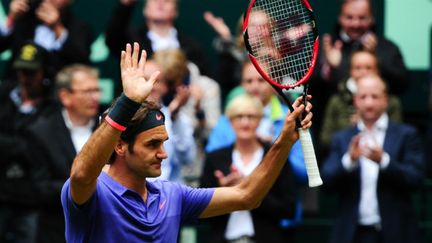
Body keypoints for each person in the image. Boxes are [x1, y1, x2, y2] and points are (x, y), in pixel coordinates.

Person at [60, 42, 312, 242]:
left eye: (163, 143)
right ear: (120, 146)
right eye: (151, 145)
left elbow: (247, 196)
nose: (163, 153)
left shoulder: (172, 195)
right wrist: (128, 102)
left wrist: (285, 140)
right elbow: (81, 174)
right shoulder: (95, 192)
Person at [321, 74, 424, 243]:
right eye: (363, 97)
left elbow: (416, 178)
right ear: (355, 101)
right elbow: (326, 182)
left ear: (386, 99)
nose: (369, 103)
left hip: (395, 232)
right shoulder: (342, 138)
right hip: (352, 233)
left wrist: (384, 161)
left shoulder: (406, 135)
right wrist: (349, 160)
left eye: (375, 96)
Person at [200, 94, 298, 243]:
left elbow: (289, 210)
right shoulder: (215, 158)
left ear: (260, 120)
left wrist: (250, 188)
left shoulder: (275, 156)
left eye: (251, 117)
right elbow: (201, 212)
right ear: (230, 121)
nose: (245, 122)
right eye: (239, 116)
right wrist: (224, 192)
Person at [310, 0, 409, 145]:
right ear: (340, 18)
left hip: (382, 139)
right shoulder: (328, 46)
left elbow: (403, 84)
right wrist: (329, 68)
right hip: (334, 136)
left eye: (362, 18)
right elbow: (312, 89)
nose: (355, 24)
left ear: (372, 19)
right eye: (349, 17)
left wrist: (377, 60)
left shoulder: (387, 48)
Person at [25, 64, 101, 243]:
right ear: (65, 96)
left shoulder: (107, 127)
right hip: (58, 231)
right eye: (87, 91)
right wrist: (86, 186)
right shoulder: (41, 132)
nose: (95, 97)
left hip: (102, 231)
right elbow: (41, 188)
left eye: (97, 90)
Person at [206, 60, 308, 185]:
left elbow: (304, 172)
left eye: (261, 80)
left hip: (278, 199)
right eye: (249, 81)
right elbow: (212, 162)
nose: (255, 86)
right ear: (241, 85)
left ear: (274, 84)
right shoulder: (227, 119)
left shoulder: (292, 118)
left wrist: (274, 148)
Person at [0, 41, 55, 243]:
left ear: (44, 73)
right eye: (22, 71)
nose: (25, 78)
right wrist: (23, 145)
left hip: (33, 198)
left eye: (32, 73)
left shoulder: (53, 105)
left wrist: (10, 144)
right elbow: (30, 145)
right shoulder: (4, 95)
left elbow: (43, 148)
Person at [319, 50, 403, 154]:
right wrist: (353, 128)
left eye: (368, 68)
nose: (363, 72)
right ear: (350, 71)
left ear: (377, 71)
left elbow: (399, 141)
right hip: (344, 160)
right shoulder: (336, 101)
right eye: (358, 68)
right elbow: (325, 141)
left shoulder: (391, 102)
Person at [105, 0, 208, 76]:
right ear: (145, 9)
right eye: (154, 0)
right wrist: (126, 5)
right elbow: (112, 37)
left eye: (167, 1)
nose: (160, 3)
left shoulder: (190, 46)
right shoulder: (131, 39)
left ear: (175, 11)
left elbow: (203, 76)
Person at [0, 0, 93, 79]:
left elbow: (81, 62)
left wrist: (57, 28)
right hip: (18, 89)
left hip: (57, 92)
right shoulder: (24, 18)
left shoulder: (80, 28)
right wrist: (11, 18)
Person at [141, 58, 197, 183]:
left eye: (156, 81)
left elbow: (188, 158)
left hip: (169, 194)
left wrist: (174, 118)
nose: (150, 86)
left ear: (165, 86)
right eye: (144, 79)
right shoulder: (119, 117)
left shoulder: (178, 117)